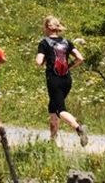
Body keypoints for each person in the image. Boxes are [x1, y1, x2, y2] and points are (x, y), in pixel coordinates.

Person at [36, 16, 88, 147]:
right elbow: (80, 58)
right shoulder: (67, 42)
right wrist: (69, 66)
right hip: (67, 79)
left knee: (60, 109)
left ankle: (78, 128)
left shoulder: (44, 42)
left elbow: (38, 62)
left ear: (47, 27)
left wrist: (43, 59)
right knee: (52, 108)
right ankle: (52, 141)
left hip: (54, 79)